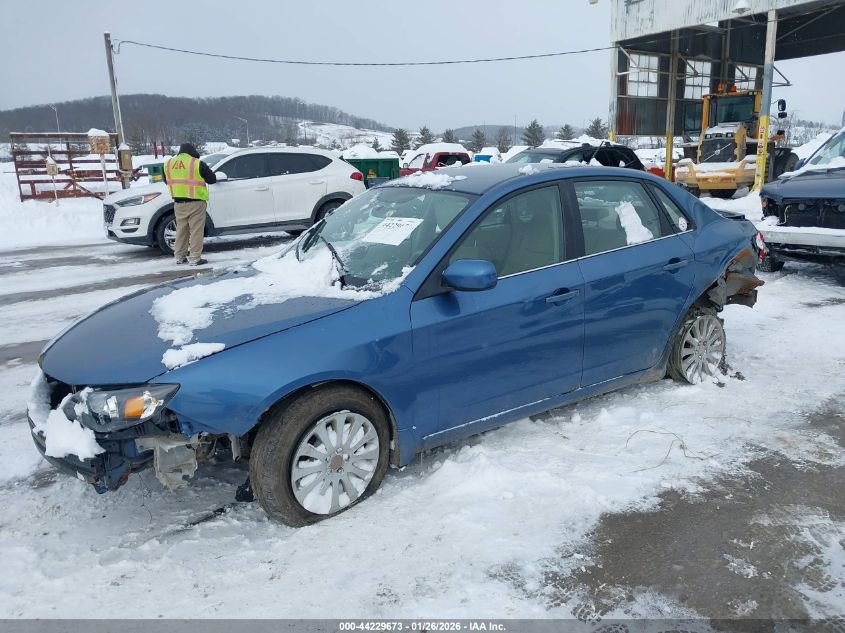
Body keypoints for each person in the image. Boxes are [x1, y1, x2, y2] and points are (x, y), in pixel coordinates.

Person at [163, 143, 216, 265]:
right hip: (196, 202)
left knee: (181, 230)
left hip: (178, 203)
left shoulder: (168, 164)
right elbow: (212, 179)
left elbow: (167, 180)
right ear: (193, 152)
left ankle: (179, 257)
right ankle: (194, 258)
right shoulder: (197, 163)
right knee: (196, 230)